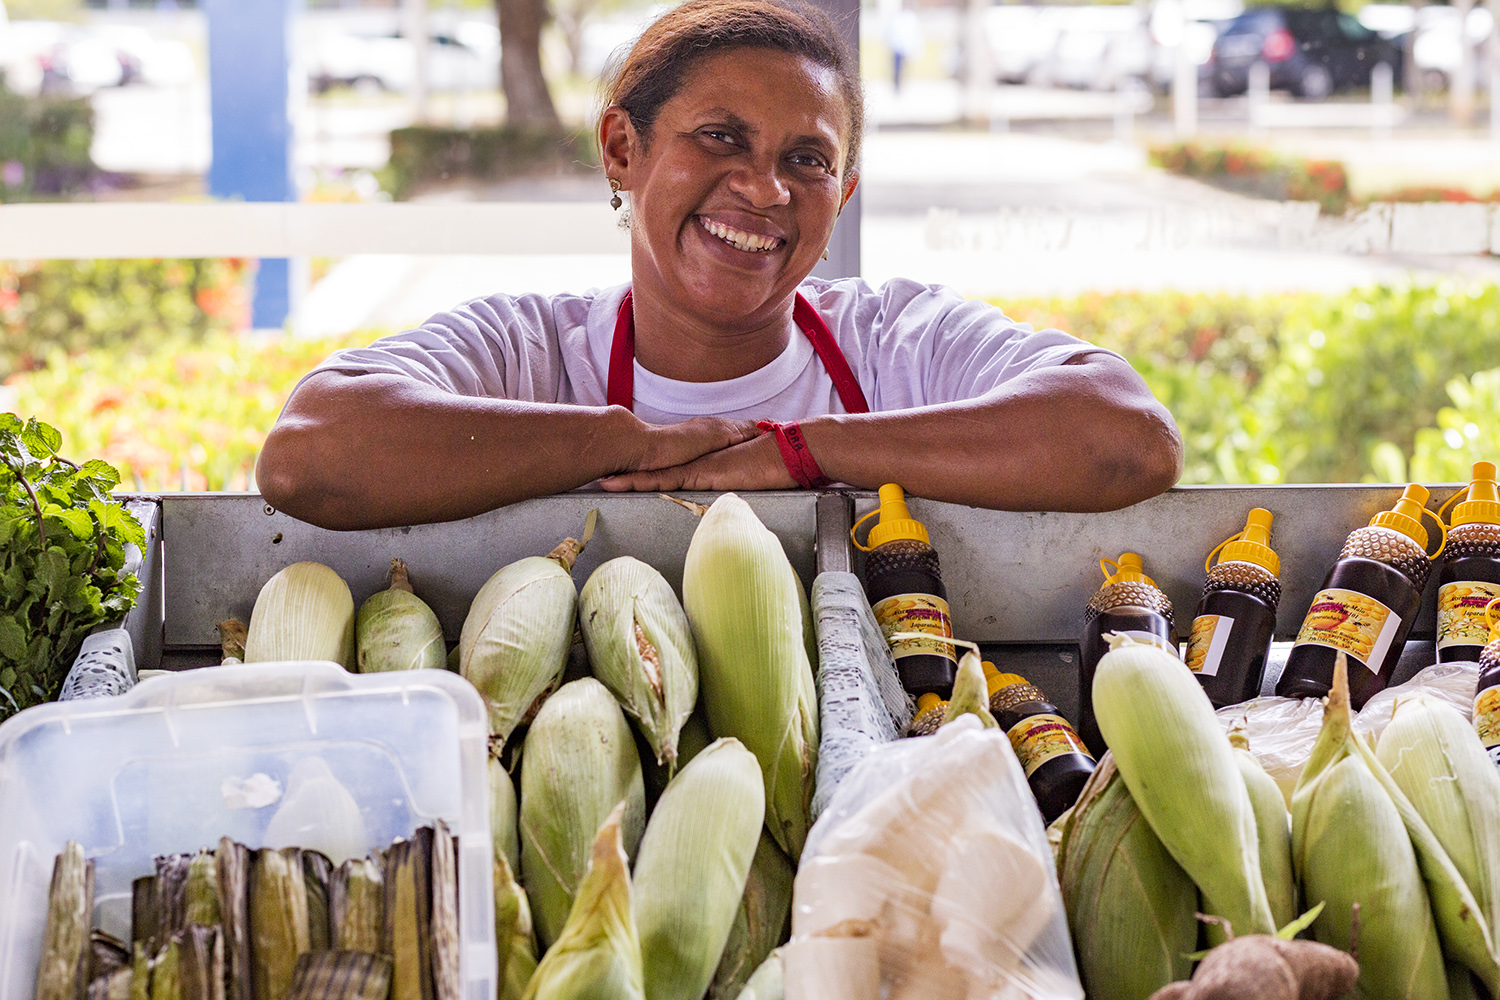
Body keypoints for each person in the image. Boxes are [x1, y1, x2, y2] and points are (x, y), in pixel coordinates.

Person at [256, 0, 1181, 532]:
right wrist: (628, 445)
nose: (765, 189)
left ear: (843, 194)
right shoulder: (529, 349)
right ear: (623, 148)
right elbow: (310, 456)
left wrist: (806, 451)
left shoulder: (896, 341)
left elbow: (1125, 437)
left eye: (806, 161)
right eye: (719, 138)